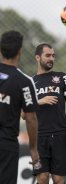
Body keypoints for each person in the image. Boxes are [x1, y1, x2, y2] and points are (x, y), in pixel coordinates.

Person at [32, 43, 66, 184]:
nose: (51, 58)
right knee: (42, 177)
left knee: (58, 179)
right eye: (47, 55)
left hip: (60, 134)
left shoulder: (62, 77)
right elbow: (23, 114)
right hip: (39, 136)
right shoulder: (30, 83)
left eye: (53, 55)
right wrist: (39, 101)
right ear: (38, 57)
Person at [0, 30, 40, 184]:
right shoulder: (24, 81)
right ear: (20, 51)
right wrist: (33, 149)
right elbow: (30, 118)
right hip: (6, 144)